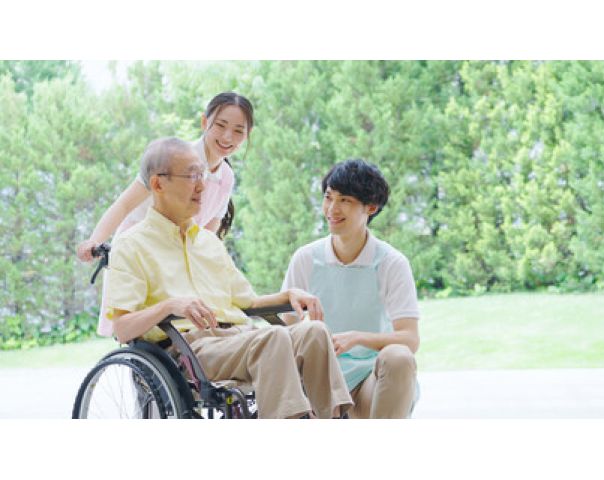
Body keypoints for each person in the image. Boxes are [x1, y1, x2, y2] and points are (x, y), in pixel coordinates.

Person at [104, 137, 352, 419]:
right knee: (273, 338)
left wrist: (289, 295)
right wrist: (170, 305)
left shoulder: (209, 242)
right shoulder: (131, 245)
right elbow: (122, 328)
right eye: (191, 176)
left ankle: (331, 421)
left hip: (240, 338)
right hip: (191, 350)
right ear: (158, 184)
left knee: (314, 333)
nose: (201, 186)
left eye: (202, 175)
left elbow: (248, 303)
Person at [77, 92, 251, 336]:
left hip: (179, 249)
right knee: (136, 319)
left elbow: (207, 233)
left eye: (238, 131)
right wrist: (95, 240)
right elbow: (124, 205)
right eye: (220, 126)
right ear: (205, 122)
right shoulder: (176, 158)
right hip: (145, 245)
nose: (227, 137)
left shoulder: (227, 177)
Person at [281, 159, 420, 418]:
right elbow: (285, 328)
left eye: (345, 200)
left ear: (371, 207)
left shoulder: (391, 263)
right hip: (318, 381)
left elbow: (410, 338)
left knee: (399, 357)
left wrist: (357, 338)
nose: (332, 209)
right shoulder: (306, 258)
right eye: (328, 197)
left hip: (371, 381)